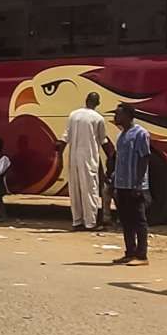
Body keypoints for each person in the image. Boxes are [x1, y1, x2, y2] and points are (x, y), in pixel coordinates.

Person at [107, 104, 152, 265]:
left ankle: (142, 255)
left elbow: (144, 158)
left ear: (128, 115)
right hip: (122, 185)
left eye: (118, 114)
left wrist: (138, 184)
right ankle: (129, 252)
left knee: (139, 220)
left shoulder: (140, 134)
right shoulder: (122, 135)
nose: (116, 118)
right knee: (125, 220)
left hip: (134, 185)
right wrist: (114, 180)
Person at [58, 92, 110, 231]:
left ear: (86, 100)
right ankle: (90, 223)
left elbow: (64, 138)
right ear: (97, 103)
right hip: (89, 158)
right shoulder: (98, 118)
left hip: (73, 158)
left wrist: (59, 158)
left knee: (75, 189)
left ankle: (77, 221)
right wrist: (113, 156)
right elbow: (103, 140)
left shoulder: (73, 115)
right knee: (90, 190)